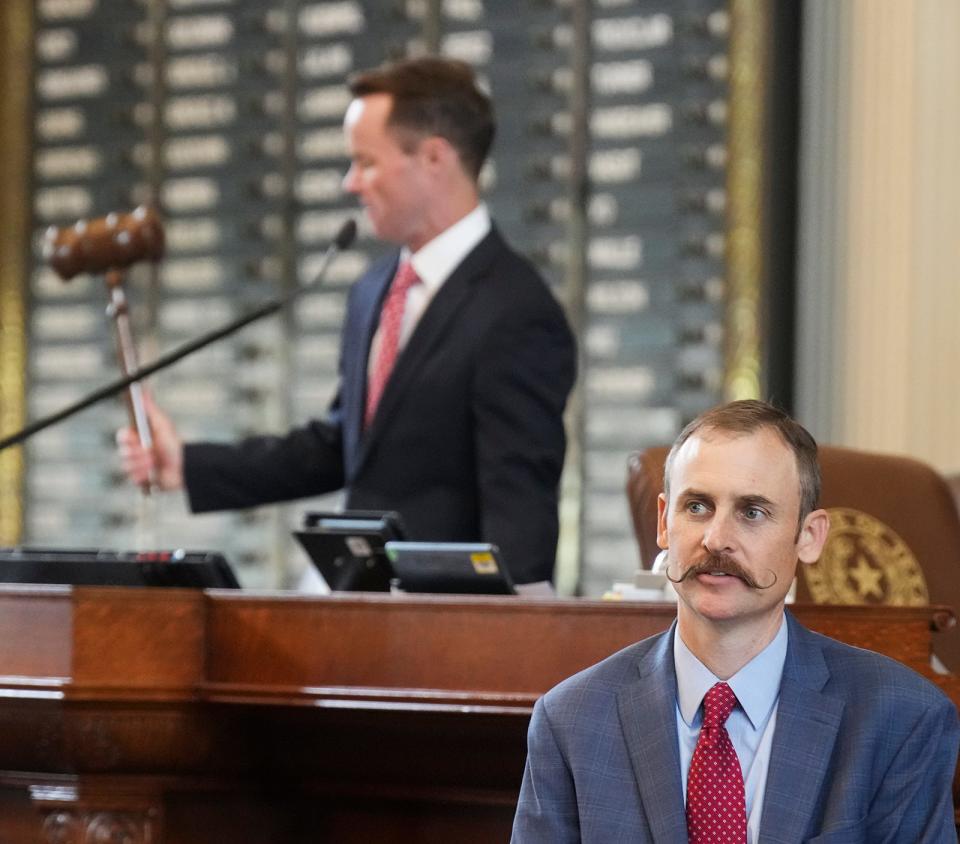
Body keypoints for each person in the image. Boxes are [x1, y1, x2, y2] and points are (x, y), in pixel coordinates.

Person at [117, 57, 576, 585]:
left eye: (366, 162)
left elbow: (519, 501)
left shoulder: (517, 309)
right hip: (352, 597)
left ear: (433, 158)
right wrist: (187, 465)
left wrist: (509, 635)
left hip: (442, 618)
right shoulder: (373, 289)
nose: (349, 183)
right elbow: (342, 447)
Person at [512, 399, 959, 842]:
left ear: (809, 537)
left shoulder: (901, 717)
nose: (717, 539)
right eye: (698, 507)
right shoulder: (570, 720)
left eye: (752, 512)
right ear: (664, 522)